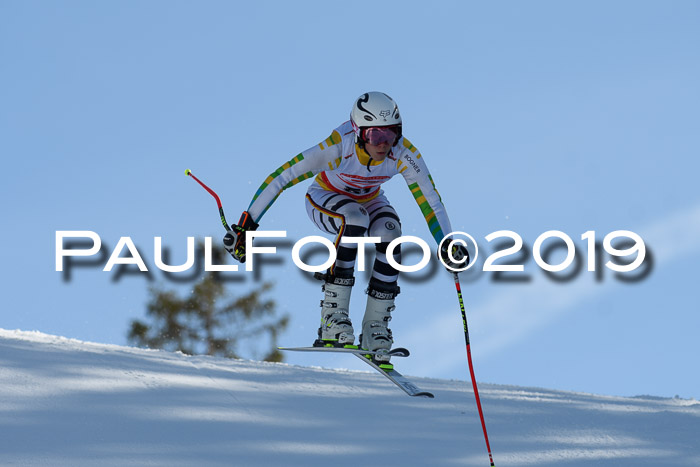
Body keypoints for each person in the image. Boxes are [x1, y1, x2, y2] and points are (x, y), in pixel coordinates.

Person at [224, 92, 467, 369]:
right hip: (325, 197)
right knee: (355, 219)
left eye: (392, 135)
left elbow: (430, 201)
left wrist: (447, 243)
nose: (384, 144)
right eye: (375, 136)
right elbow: (283, 175)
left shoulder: (404, 153)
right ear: (358, 132)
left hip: (369, 199)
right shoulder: (339, 146)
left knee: (390, 230)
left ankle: (375, 326)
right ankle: (332, 316)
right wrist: (246, 225)